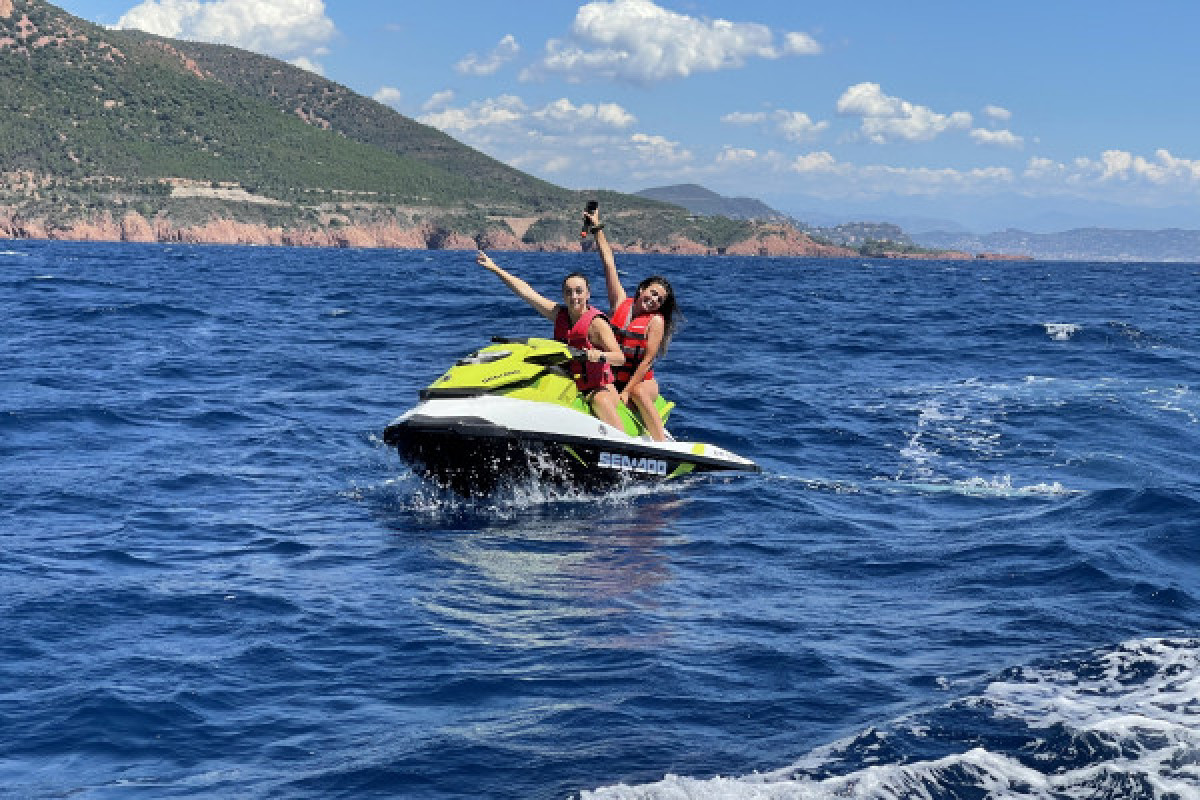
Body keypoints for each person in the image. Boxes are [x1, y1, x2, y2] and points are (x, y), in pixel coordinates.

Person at [475, 250, 627, 431]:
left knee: (599, 401)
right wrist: (494, 268)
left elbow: (620, 358)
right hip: (569, 381)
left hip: (599, 387)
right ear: (563, 295)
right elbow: (527, 292)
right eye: (569, 292)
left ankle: (623, 442)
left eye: (579, 291)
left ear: (588, 294)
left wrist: (598, 355)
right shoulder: (559, 314)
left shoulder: (597, 324)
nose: (574, 297)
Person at [582, 207, 679, 442]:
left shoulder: (655, 321)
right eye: (652, 293)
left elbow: (646, 363)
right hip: (612, 377)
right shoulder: (620, 304)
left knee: (638, 391)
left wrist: (625, 392)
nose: (654, 300)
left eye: (659, 300)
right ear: (642, 289)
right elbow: (608, 263)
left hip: (642, 382)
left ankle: (662, 446)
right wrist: (596, 227)